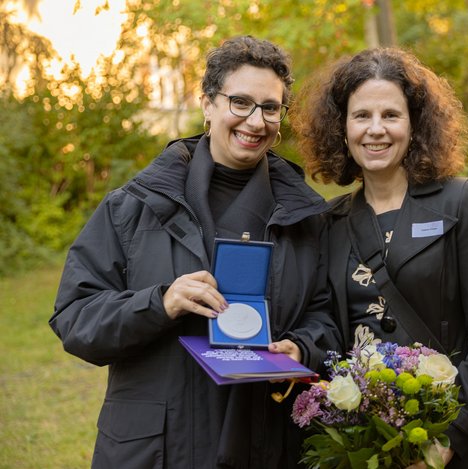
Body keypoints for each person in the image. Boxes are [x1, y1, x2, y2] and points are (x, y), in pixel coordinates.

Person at [50, 36, 339, 468]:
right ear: (206, 103)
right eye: (239, 102)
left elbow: (328, 318)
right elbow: (75, 319)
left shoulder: (307, 216)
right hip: (159, 449)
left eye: (270, 107)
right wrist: (158, 303)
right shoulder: (134, 205)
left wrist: (302, 348)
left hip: (267, 442)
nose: (255, 121)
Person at [292, 48, 468, 468]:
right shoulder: (330, 221)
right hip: (361, 440)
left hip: (445, 439)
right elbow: (328, 330)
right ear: (341, 128)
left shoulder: (460, 202)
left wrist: (448, 439)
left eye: (391, 115)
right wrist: (298, 351)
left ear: (415, 125)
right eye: (362, 116)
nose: (376, 130)